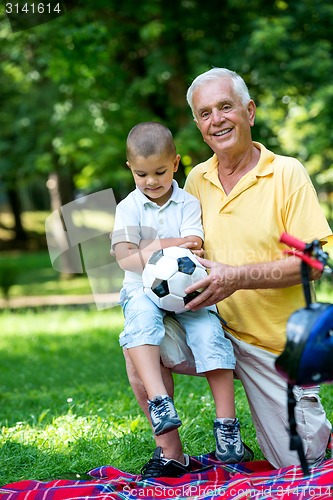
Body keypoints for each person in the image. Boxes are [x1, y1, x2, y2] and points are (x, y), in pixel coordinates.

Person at [124, 69, 332, 478]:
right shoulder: (196, 180)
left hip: (274, 349)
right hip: (209, 327)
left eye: (225, 107)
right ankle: (171, 455)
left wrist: (235, 277)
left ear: (249, 112)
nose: (216, 119)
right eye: (205, 113)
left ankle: (308, 427)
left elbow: (316, 264)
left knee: (303, 464)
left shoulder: (286, 173)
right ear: (199, 128)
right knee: (137, 338)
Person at [111, 121, 251, 477]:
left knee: (209, 333)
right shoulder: (128, 207)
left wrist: (148, 248)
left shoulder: (188, 202)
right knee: (140, 324)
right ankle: (160, 402)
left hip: (188, 290)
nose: (151, 181)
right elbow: (125, 258)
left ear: (175, 164)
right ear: (130, 168)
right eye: (141, 174)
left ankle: (227, 426)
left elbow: (194, 245)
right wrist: (162, 246)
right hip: (142, 290)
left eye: (159, 171)